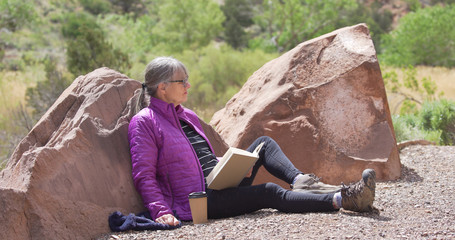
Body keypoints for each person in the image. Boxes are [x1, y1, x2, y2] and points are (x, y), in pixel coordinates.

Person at [128, 57, 376, 226]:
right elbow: (144, 175)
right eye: (182, 81)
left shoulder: (187, 115)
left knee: (264, 144)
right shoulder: (145, 122)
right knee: (268, 192)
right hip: (199, 201)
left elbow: (199, 156)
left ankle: (301, 182)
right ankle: (345, 200)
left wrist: (228, 163)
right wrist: (161, 212)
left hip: (219, 181)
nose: (188, 85)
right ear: (162, 88)